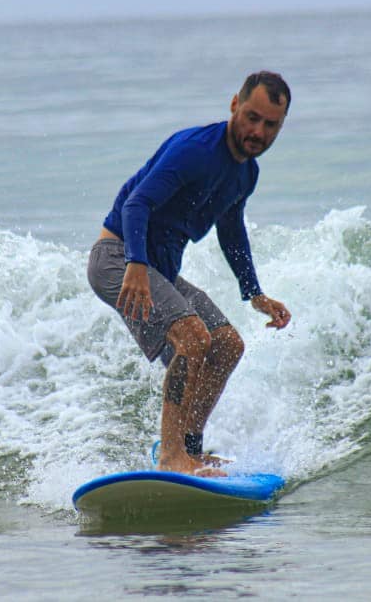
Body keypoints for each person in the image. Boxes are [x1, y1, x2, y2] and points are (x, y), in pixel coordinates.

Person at [88, 71, 293, 477]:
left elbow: (231, 230)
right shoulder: (195, 151)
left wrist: (254, 293)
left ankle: (190, 450)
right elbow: (135, 205)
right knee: (193, 338)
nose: (258, 132)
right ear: (234, 105)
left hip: (154, 269)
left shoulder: (246, 174)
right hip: (117, 258)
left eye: (271, 125)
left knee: (227, 344)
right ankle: (171, 457)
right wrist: (136, 263)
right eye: (252, 117)